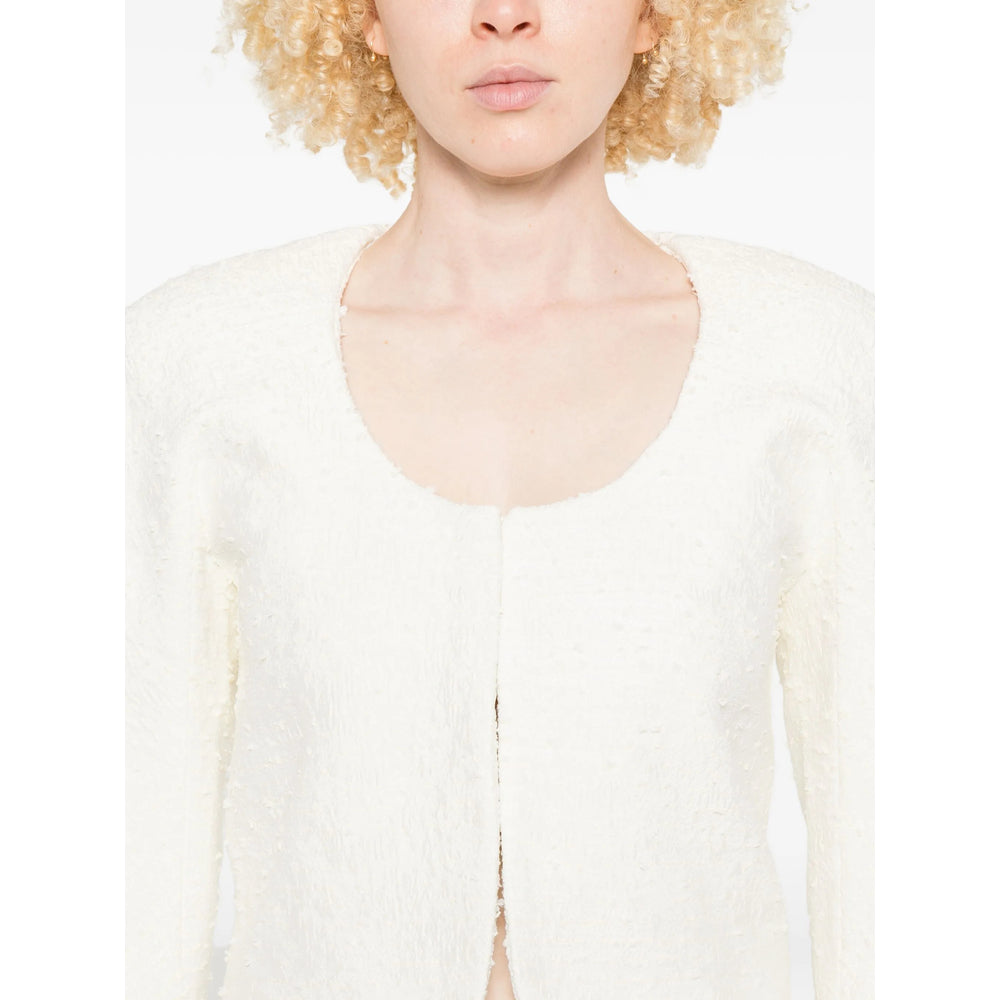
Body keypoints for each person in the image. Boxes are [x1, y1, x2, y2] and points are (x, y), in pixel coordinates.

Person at [125, 1, 874, 998]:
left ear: (655, 14)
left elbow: (893, 844)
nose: (504, 16)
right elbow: (127, 851)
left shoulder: (820, 363)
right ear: (364, 16)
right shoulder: (195, 367)